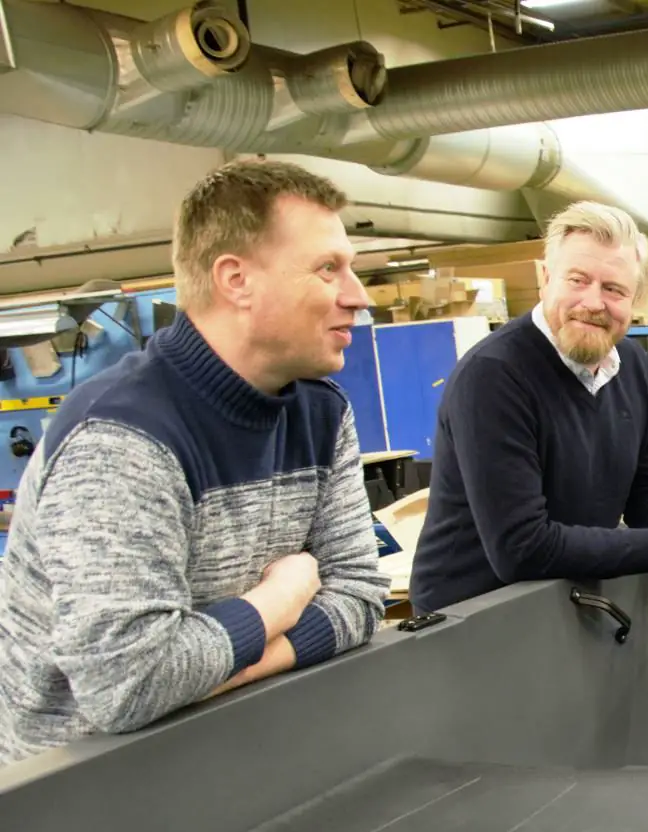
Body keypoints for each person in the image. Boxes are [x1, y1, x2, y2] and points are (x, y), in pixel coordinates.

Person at [0, 160, 390, 765]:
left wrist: (229, 663)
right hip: (78, 786)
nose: (357, 296)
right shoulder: (122, 438)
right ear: (236, 280)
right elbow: (129, 685)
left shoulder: (321, 412)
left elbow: (361, 597)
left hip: (225, 750)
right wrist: (283, 597)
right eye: (327, 269)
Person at [410, 201, 648, 613]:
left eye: (614, 289)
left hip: (562, 598)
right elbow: (522, 548)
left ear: (635, 299)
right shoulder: (493, 376)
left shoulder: (632, 366)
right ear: (545, 278)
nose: (593, 302)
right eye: (577, 280)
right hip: (472, 617)